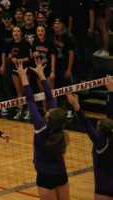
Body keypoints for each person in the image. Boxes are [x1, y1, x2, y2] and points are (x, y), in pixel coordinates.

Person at [15, 60, 69, 200]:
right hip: (61, 173)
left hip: (45, 176)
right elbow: (50, 99)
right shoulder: (59, 130)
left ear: (48, 119)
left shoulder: (41, 127)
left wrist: (23, 77)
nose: (46, 112)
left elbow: (31, 101)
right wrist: (42, 76)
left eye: (47, 113)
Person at [66, 75, 113, 200]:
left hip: (103, 189)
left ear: (98, 131)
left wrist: (76, 106)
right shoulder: (109, 138)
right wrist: (110, 92)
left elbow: (87, 124)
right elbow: (110, 117)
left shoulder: (100, 143)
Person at [52, 17, 74, 119]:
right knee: (56, 90)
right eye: (55, 23)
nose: (57, 25)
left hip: (65, 67)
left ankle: (70, 110)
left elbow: (71, 54)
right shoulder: (51, 37)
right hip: (55, 68)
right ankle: (60, 110)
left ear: (63, 26)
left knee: (68, 89)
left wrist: (69, 69)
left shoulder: (67, 38)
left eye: (59, 23)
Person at [8, 26, 31, 120]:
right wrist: (10, 57)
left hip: (25, 70)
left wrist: (18, 60)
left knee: (26, 90)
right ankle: (20, 110)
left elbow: (29, 58)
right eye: (14, 31)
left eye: (18, 31)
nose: (16, 33)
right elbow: (10, 55)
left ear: (21, 33)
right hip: (15, 70)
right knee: (19, 91)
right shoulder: (11, 43)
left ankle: (29, 110)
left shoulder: (25, 43)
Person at [32, 25, 56, 112]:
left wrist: (53, 71)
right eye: (38, 31)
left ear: (45, 32)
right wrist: (33, 55)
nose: (40, 32)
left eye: (42, 30)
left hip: (48, 70)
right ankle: (46, 112)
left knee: (51, 92)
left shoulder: (49, 43)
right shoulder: (35, 43)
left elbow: (53, 57)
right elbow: (33, 56)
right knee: (42, 93)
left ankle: (54, 111)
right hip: (39, 71)